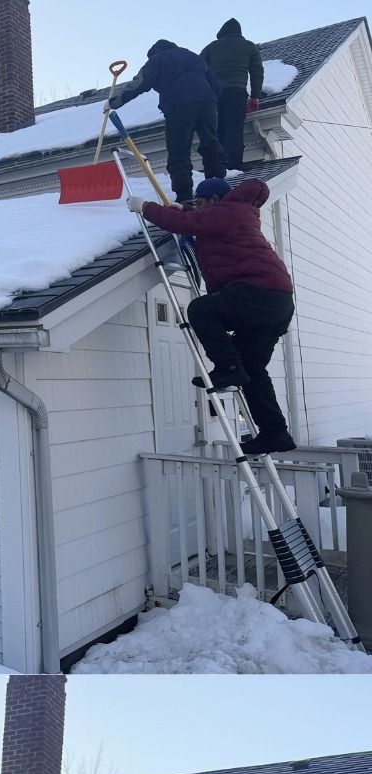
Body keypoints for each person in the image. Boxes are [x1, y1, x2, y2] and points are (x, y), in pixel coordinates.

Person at [128, 177, 296, 455]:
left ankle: (228, 369)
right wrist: (183, 210)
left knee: (201, 310)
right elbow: (196, 219)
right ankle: (275, 433)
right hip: (274, 301)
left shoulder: (229, 212)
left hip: (259, 293)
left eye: (200, 202)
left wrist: (145, 207)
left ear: (215, 200)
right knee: (252, 370)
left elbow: (189, 225)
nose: (197, 207)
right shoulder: (233, 213)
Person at [110, 39, 226, 204]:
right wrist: (212, 102)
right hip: (207, 104)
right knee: (211, 144)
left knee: (178, 150)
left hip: (179, 105)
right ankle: (217, 187)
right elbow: (216, 85)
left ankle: (184, 195)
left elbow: (141, 82)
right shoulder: (193, 56)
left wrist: (116, 101)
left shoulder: (157, 60)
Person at [200, 19, 265, 171]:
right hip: (236, 92)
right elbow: (257, 72)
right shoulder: (249, 46)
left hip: (213, 95)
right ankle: (233, 166)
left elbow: (197, 68)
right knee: (233, 130)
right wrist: (255, 96)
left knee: (217, 131)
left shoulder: (211, 47)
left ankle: (217, 166)